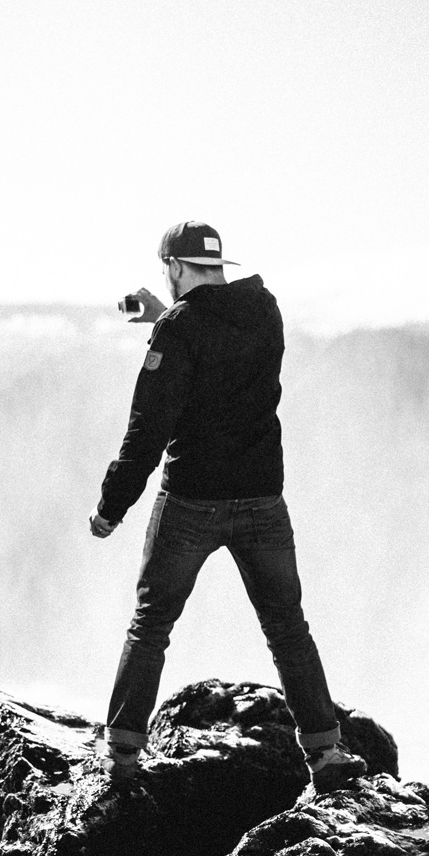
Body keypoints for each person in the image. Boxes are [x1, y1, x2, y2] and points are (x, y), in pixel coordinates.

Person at [89, 221, 366, 790]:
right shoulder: (265, 310)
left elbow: (147, 427)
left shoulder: (181, 327)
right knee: (287, 626)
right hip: (262, 496)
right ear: (219, 265)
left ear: (173, 267)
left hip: (192, 499)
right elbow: (222, 348)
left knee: (150, 626)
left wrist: (111, 507)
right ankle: (326, 755)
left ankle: (120, 754)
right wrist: (164, 322)